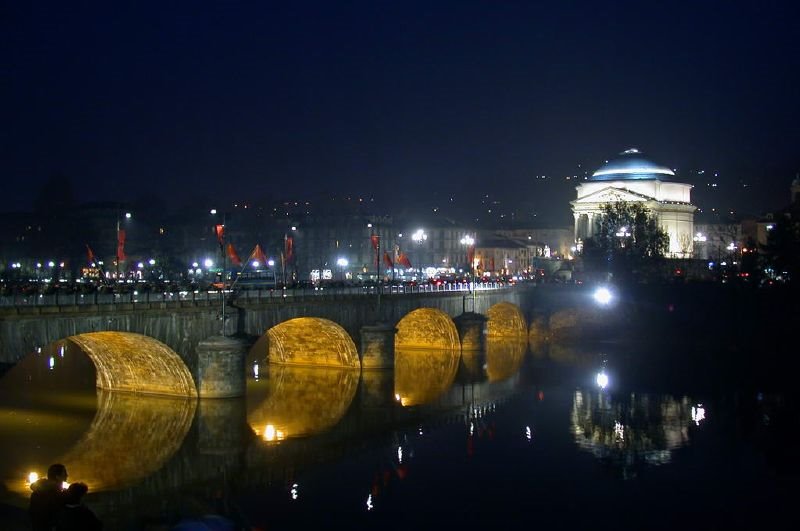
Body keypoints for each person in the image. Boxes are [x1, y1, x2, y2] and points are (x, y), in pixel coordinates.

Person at [29, 463, 68, 531]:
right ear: (57, 476)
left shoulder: (38, 491)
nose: (67, 475)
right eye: (64, 473)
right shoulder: (54, 494)